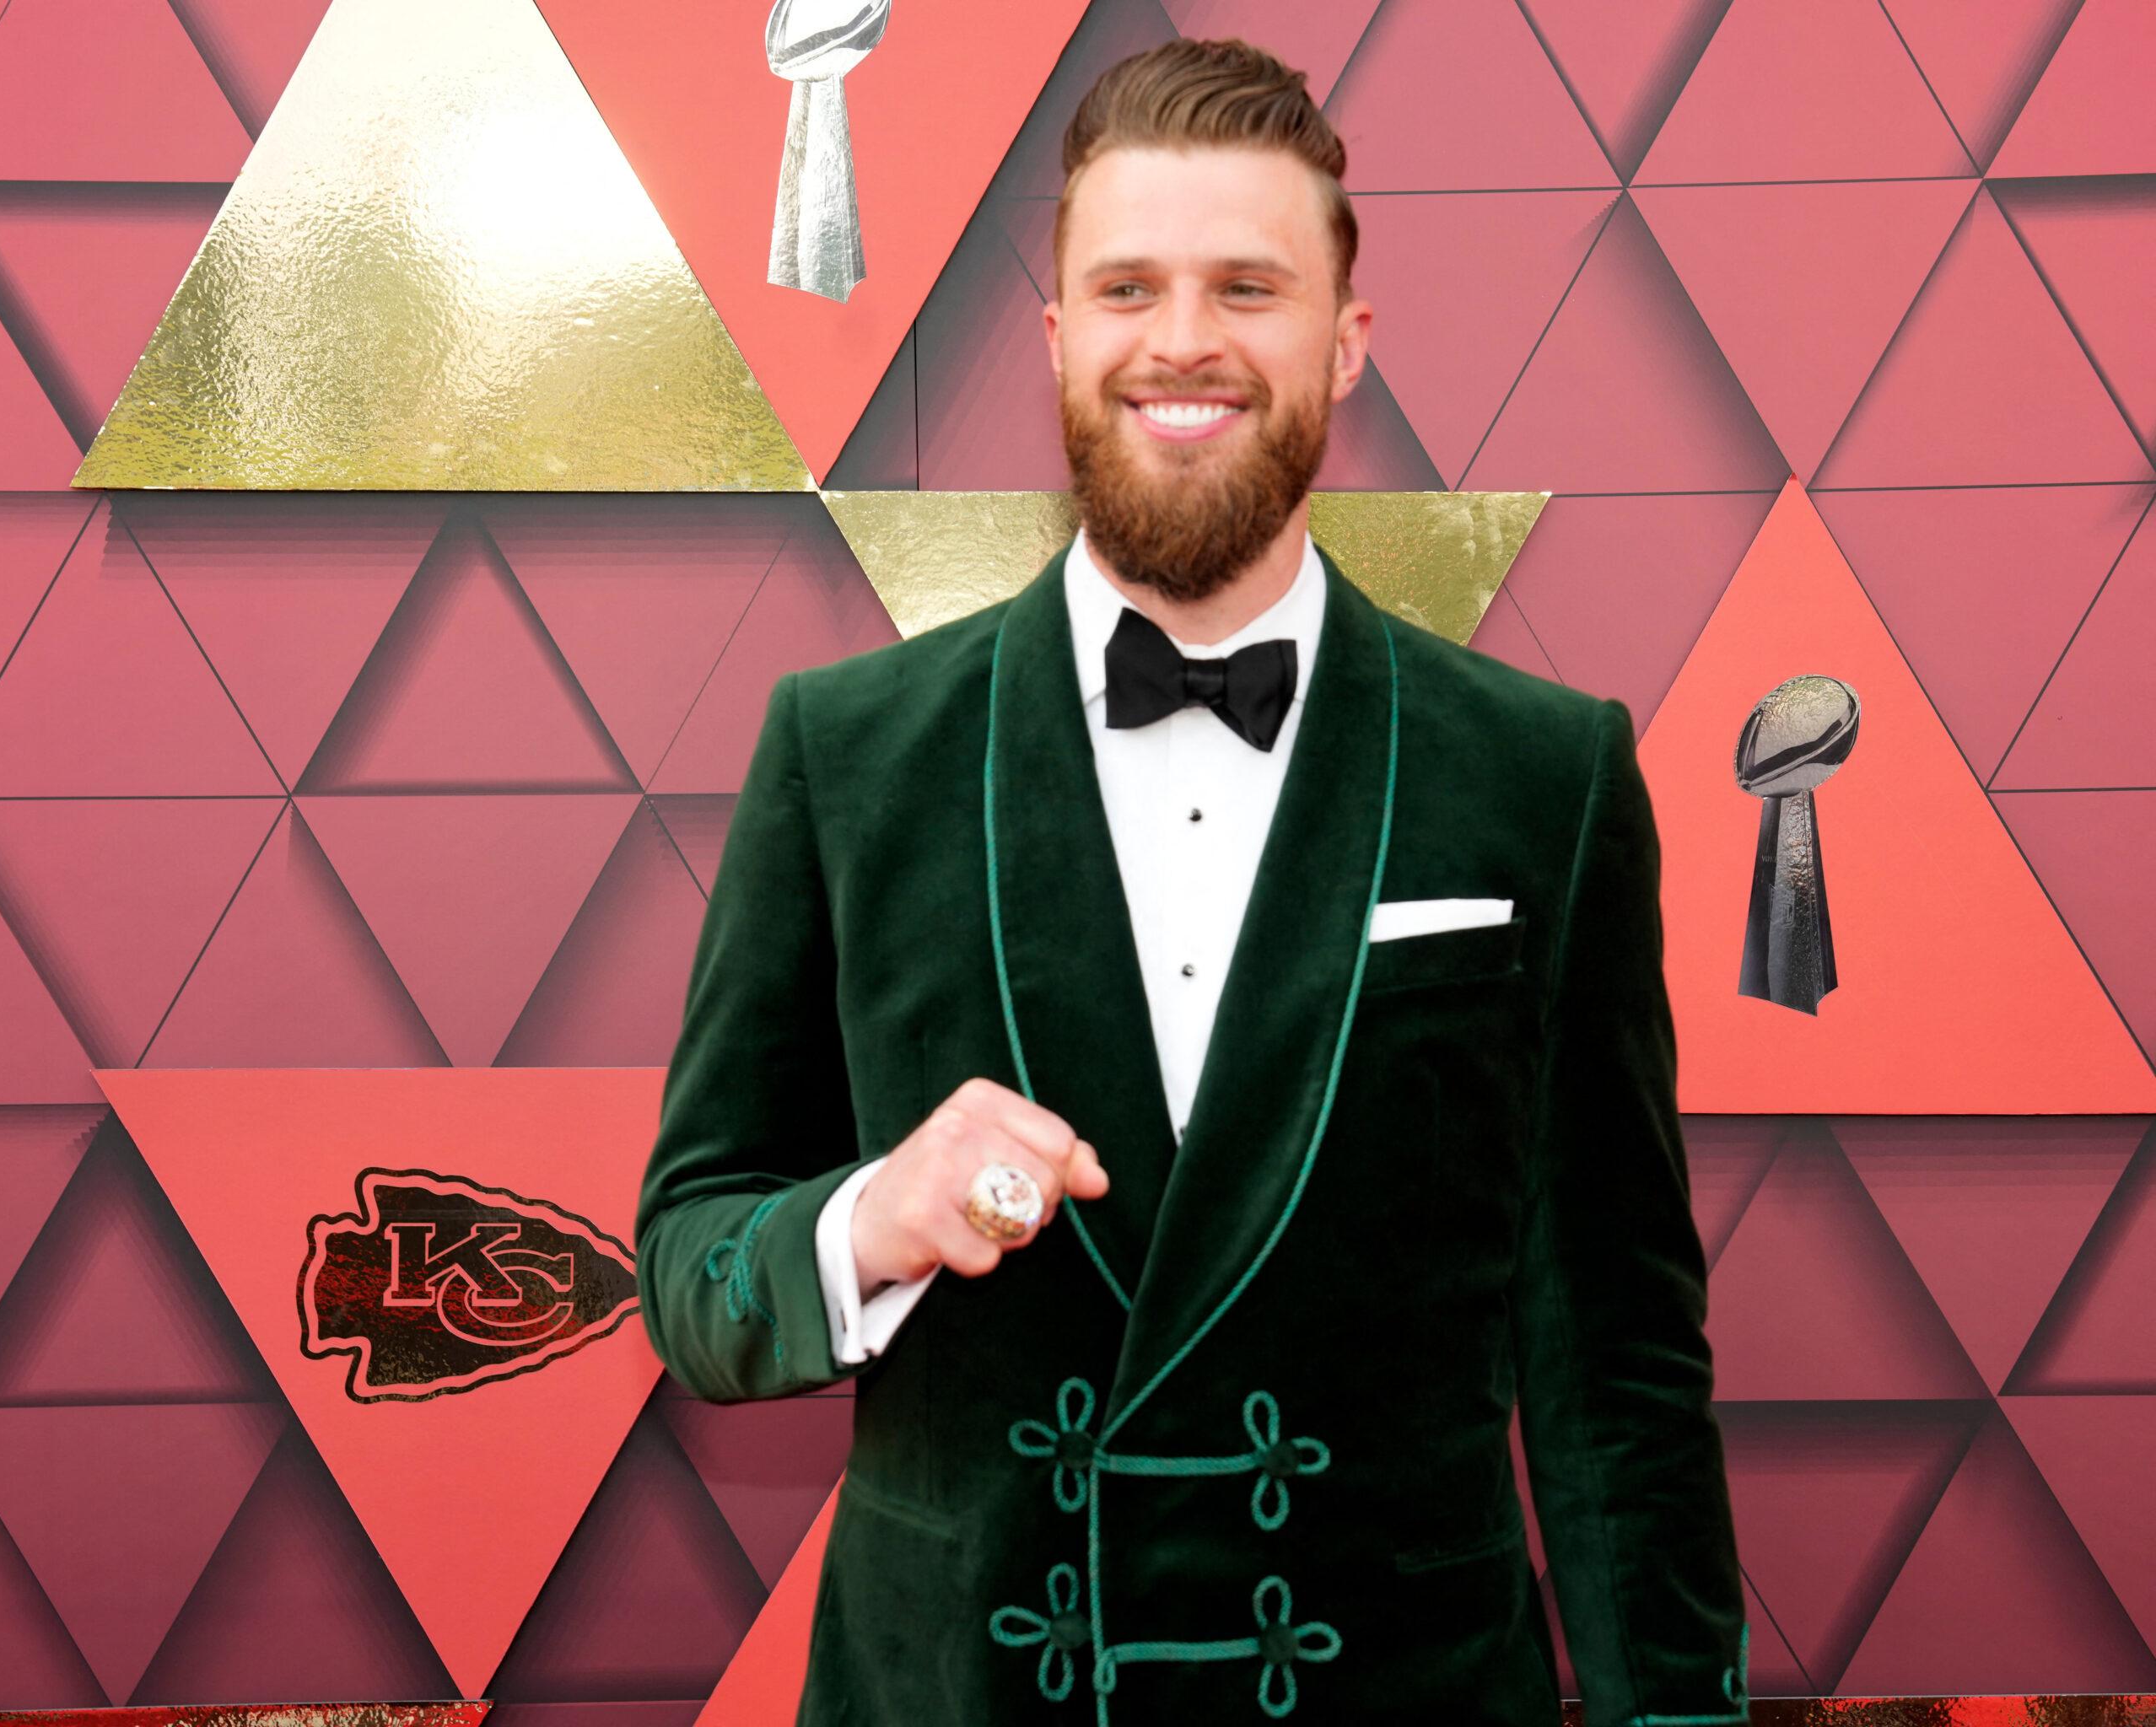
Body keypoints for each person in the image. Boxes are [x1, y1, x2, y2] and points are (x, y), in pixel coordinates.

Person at [636, 36, 1749, 1725]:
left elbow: (1616, 1368)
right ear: (1058, 339)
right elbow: (692, 1278)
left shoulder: (1546, 773)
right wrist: (878, 1214)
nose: (1181, 343)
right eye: (1127, 286)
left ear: (1344, 342)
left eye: (1247, 286)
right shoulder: (847, 753)